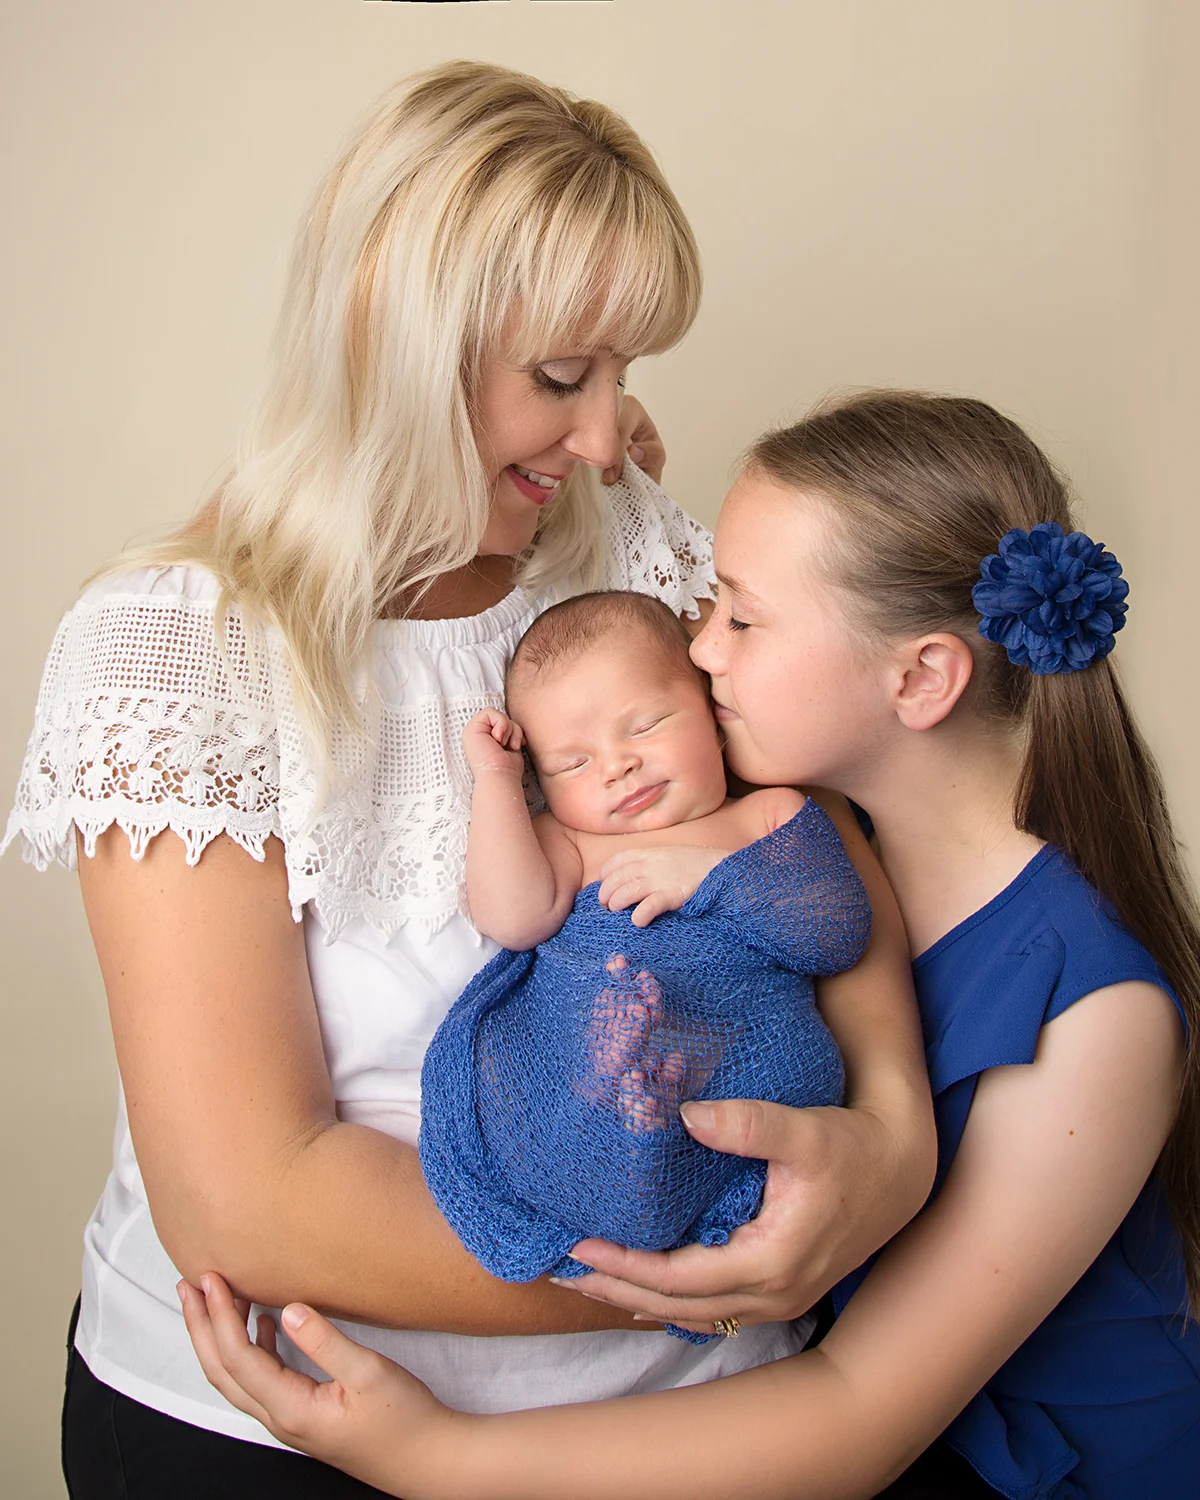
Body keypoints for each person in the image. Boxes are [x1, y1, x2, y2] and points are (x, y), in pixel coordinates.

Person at [2, 64, 932, 1498]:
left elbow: (809, 841)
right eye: (562, 378)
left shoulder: (635, 553)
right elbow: (254, 1199)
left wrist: (891, 1143)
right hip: (294, 1431)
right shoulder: (179, 651)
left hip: (699, 1423)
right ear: (392, 338)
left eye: (623, 377)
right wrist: (727, 1264)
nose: (608, 435)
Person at [183, 390, 1200, 1499]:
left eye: (740, 620)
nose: (698, 646)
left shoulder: (1096, 1019)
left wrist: (436, 1455)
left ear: (919, 679)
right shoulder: (823, 844)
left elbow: (854, 1414)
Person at [419, 591, 873, 1312]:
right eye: (572, 763)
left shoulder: (767, 815)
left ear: (712, 716)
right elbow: (514, 918)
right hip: (594, 1080)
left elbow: (838, 931)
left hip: (736, 1062)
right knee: (593, 1030)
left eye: (646, 725)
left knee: (761, 1056)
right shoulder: (573, 841)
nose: (617, 766)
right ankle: (620, 1087)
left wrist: (712, 879)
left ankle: (652, 1087)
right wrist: (498, 781)